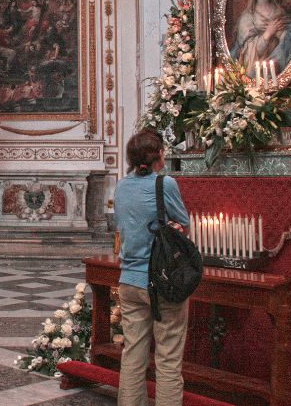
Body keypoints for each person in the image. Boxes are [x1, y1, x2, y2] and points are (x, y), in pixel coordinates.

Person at [114, 129, 190, 406]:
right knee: (168, 359)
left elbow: (121, 225)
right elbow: (184, 224)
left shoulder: (121, 186)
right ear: (158, 155)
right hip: (162, 280)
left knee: (133, 355)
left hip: (129, 281)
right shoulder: (164, 184)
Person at [230, 0, 291, 76]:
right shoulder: (247, 18)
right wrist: (268, 34)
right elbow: (246, 55)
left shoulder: (283, 8)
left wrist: (284, 35)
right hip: (262, 71)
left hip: (286, 68)